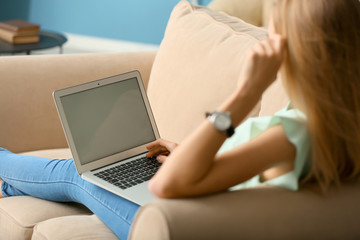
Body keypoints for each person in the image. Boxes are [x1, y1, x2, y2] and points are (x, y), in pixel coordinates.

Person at [1, 0, 359, 239]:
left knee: (77, 174)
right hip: (202, 199)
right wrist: (189, 152)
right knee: (84, 172)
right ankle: (9, 184)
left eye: (274, 34)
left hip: (186, 226)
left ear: (302, 51)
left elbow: (165, 187)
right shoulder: (334, 122)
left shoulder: (293, 133)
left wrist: (246, 93)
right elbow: (245, 173)